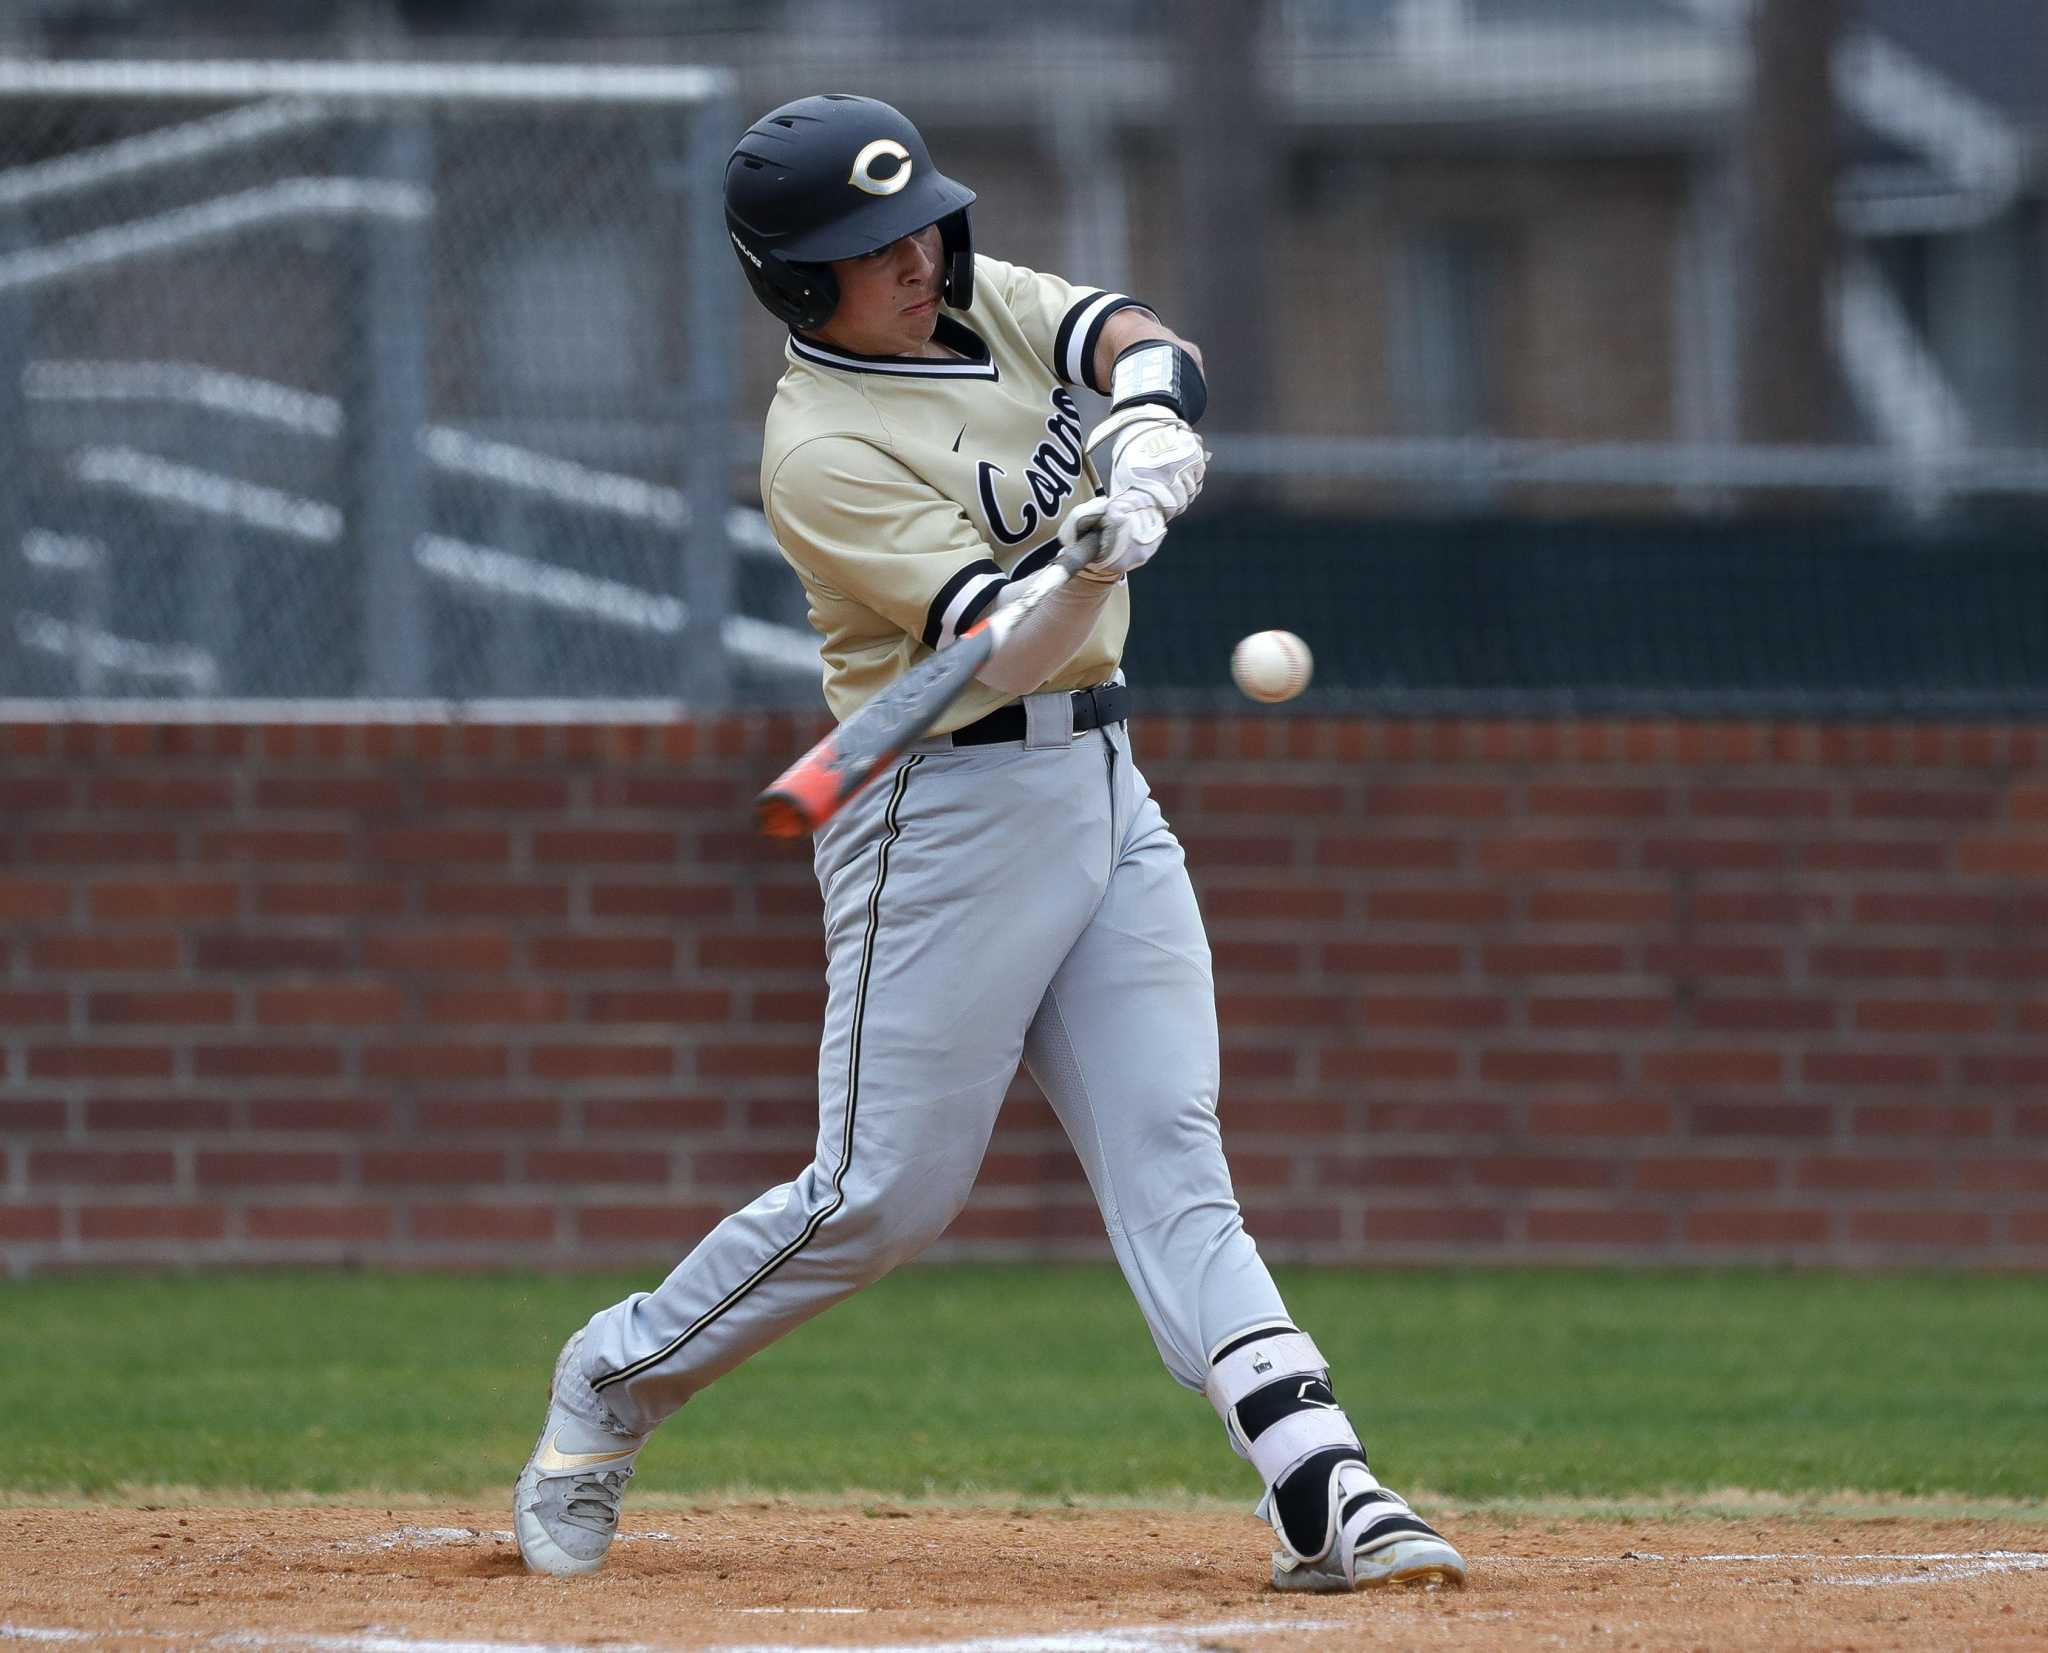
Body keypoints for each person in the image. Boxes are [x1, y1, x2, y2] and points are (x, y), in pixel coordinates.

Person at [513, 92, 1467, 1596]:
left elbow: (1140, 339)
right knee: (884, 1194)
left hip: (1104, 785)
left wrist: (1149, 427)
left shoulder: (979, 301)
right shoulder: (818, 449)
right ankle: (612, 1380)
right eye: (865, 246)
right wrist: (1088, 568)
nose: (912, 258)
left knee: (1171, 1144)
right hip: (938, 820)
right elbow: (1000, 650)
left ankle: (1316, 1473)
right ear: (795, 279)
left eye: (916, 226)